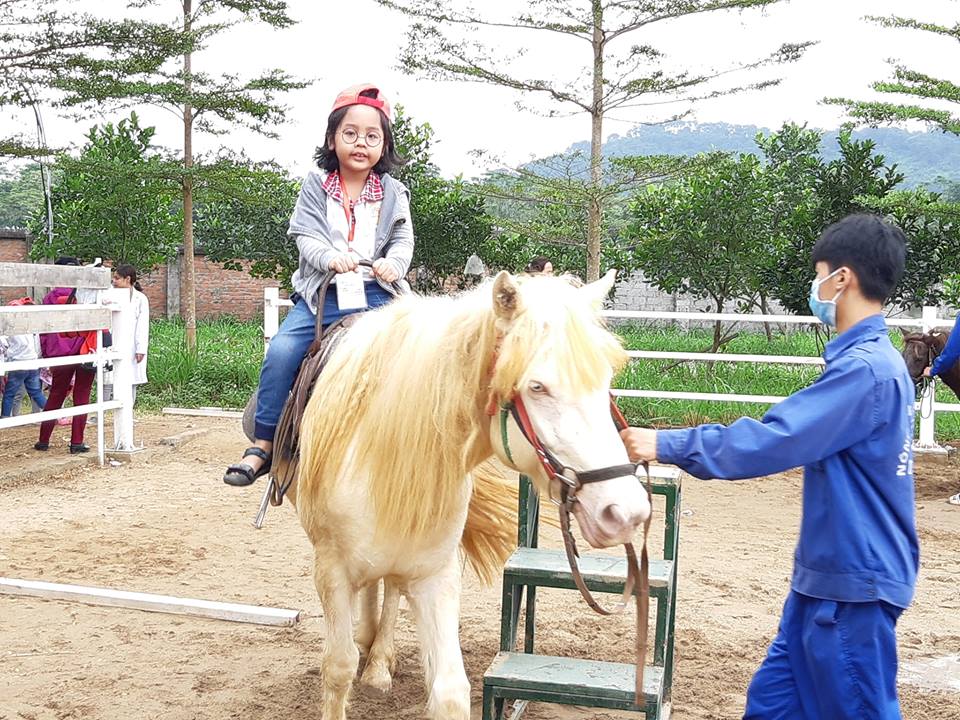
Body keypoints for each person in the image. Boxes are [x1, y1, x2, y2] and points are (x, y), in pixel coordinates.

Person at [621, 214, 917, 720]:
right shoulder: (868, 364)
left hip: (851, 589)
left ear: (841, 278)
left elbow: (776, 439)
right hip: (822, 583)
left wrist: (666, 443)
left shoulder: (865, 372)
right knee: (771, 706)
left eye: (819, 275)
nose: (815, 288)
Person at [223, 83, 414, 486]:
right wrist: (329, 257)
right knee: (282, 350)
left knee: (421, 352)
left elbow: (402, 238)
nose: (361, 143)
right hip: (324, 295)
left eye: (372, 136)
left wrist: (394, 264)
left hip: (379, 294)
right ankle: (263, 443)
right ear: (332, 139)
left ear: (384, 145)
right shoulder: (315, 185)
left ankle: (423, 441)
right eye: (351, 133)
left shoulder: (394, 192)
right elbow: (305, 235)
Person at [35, 256, 96, 454]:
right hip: (84, 350)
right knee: (82, 394)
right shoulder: (85, 295)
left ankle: (43, 440)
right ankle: (76, 442)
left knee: (56, 394)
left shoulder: (49, 298)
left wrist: (47, 353)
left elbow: (44, 332)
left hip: (58, 353)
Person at [0, 298, 47, 418]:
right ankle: (52, 413)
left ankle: (5, 417)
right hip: (32, 362)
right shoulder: (28, 326)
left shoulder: (9, 328)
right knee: (36, 392)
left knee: (9, 393)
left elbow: (3, 345)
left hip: (18, 363)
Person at [111, 264, 149, 405]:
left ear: (127, 279)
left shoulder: (140, 299)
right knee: (108, 378)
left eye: (117, 278)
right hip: (112, 342)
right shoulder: (109, 295)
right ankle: (103, 411)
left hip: (131, 345)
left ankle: (129, 409)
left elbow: (142, 325)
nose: (114, 281)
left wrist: (141, 349)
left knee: (131, 378)